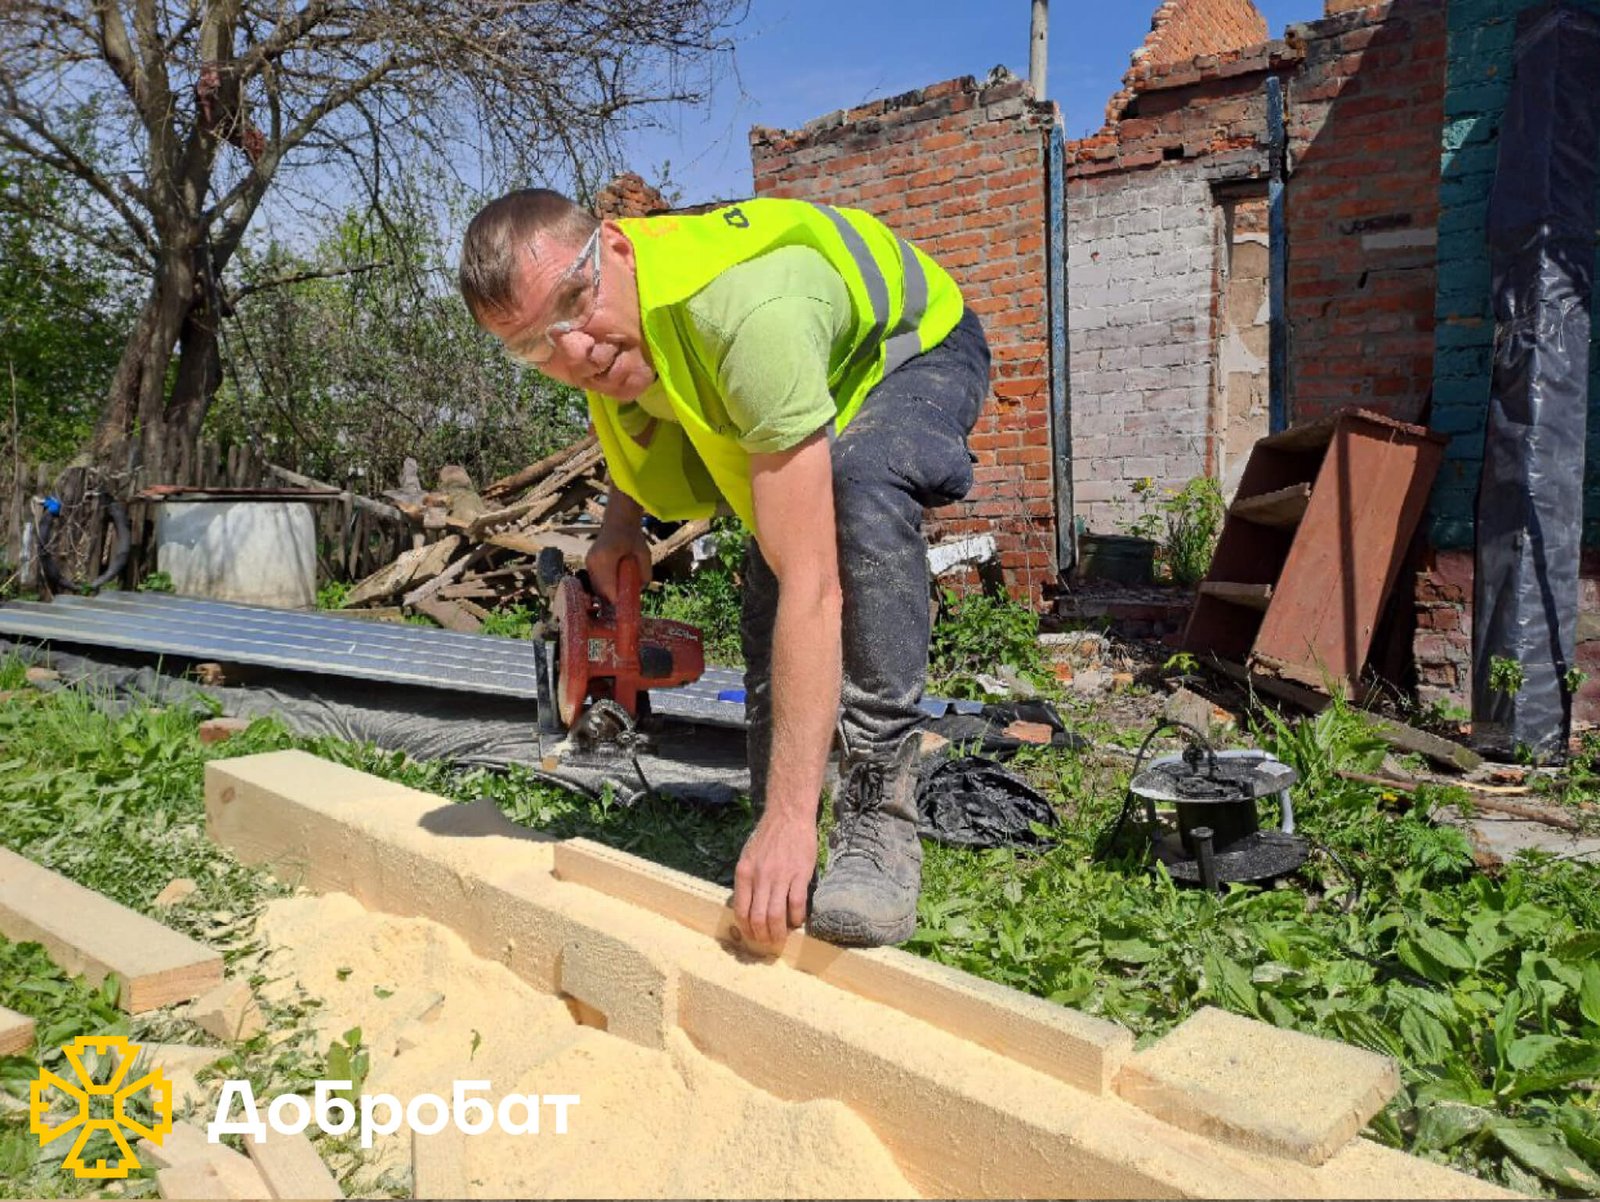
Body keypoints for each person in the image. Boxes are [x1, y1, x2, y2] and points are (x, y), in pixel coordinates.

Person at [458, 190, 989, 948]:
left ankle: (878, 816)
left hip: (908, 348)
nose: (575, 353)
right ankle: (781, 828)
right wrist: (621, 524)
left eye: (574, 303)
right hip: (805, 376)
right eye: (536, 347)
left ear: (617, 247)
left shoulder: (743, 314)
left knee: (856, 488)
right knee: (771, 590)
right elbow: (636, 420)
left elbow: (818, 584)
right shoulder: (610, 328)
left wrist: (789, 821)